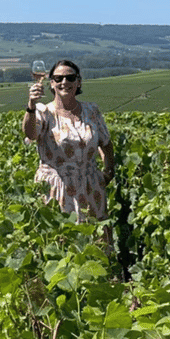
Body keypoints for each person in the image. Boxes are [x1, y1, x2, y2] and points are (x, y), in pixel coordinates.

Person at [23, 60, 115, 227]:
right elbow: (30, 134)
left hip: (91, 187)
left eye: (70, 78)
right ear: (51, 83)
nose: (64, 82)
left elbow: (106, 143)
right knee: (61, 240)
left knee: (94, 242)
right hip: (56, 188)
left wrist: (108, 172)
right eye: (58, 78)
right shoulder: (44, 112)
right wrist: (31, 106)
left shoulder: (91, 111)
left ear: (78, 82)